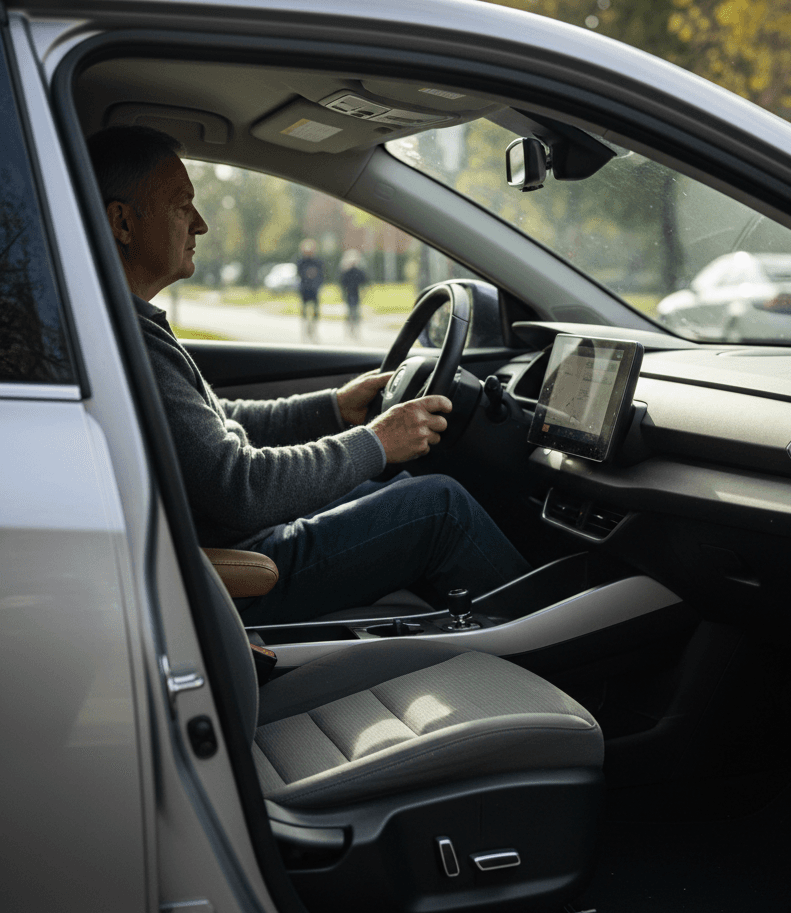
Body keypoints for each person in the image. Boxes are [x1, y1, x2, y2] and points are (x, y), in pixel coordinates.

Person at [87, 125, 530, 624]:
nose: (201, 223)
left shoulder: (120, 326)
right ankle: (562, 653)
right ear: (122, 223)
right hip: (241, 569)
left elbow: (217, 422)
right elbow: (241, 490)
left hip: (229, 544)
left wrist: (334, 408)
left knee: (396, 489)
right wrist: (377, 441)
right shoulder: (128, 341)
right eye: (181, 204)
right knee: (439, 505)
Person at [296, 238, 325, 343]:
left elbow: (321, 276)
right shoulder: (301, 262)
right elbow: (299, 274)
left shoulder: (318, 262)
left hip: (314, 290)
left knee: (315, 312)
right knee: (304, 311)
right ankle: (304, 333)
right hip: (304, 289)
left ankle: (314, 331)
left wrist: (318, 286)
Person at [339, 248, 368, 340]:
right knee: (350, 312)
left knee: (355, 312)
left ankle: (355, 330)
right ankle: (349, 330)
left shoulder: (358, 272)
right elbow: (342, 282)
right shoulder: (346, 272)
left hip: (356, 293)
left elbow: (364, 280)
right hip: (349, 294)